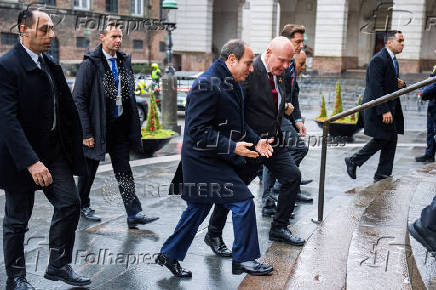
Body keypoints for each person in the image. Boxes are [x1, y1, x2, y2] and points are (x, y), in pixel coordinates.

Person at [156, 39, 274, 278]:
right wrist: (233, 148)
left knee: (197, 210)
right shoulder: (206, 84)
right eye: (248, 64)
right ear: (232, 59)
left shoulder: (233, 82)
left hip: (215, 159)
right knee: (242, 202)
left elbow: (238, 125)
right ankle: (245, 259)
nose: (251, 69)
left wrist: (256, 141)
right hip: (202, 162)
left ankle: (169, 254)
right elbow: (198, 132)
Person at [0, 9, 91, 289]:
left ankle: (58, 265)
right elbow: (7, 119)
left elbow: (65, 109)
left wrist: (82, 137)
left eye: (52, 29)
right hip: (21, 158)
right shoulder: (7, 65)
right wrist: (31, 162)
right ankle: (16, 277)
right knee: (17, 220)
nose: (51, 34)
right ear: (23, 30)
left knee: (70, 203)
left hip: (54, 153)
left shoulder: (50, 64)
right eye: (44, 30)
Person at [204, 37, 306, 253]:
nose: (286, 66)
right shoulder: (250, 71)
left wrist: (288, 116)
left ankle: (279, 227)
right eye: (282, 61)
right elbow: (235, 112)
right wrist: (241, 142)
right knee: (233, 189)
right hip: (249, 144)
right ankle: (213, 234)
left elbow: (277, 104)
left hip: (273, 141)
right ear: (268, 52)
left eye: (290, 61)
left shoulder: (282, 73)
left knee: (292, 176)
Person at [73, 23, 158, 228]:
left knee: (124, 171)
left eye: (120, 37)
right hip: (97, 128)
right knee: (89, 171)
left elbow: (128, 97)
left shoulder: (123, 61)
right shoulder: (91, 64)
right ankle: (81, 205)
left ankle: (134, 213)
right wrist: (86, 132)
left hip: (119, 127)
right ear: (102, 37)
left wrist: (132, 128)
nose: (118, 40)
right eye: (114, 36)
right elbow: (79, 99)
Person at [262, 26, 313, 210]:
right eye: (297, 41)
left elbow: (293, 94)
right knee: (297, 149)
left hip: (284, 117)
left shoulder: (290, 63)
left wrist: (297, 119)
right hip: (273, 118)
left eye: (302, 41)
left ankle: (277, 194)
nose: (301, 45)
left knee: (273, 156)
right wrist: (283, 107)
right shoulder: (276, 63)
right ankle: (280, 187)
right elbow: (268, 93)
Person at [345, 30, 406, 182]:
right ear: (389, 42)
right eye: (400, 40)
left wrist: (402, 84)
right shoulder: (378, 60)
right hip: (378, 107)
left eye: (403, 40)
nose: (403, 44)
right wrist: (384, 110)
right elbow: (375, 87)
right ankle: (354, 160)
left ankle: (382, 173)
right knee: (383, 137)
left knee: (390, 138)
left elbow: (390, 83)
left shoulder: (392, 59)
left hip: (389, 106)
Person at [415, 65, 436, 163]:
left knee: (434, 131)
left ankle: (429, 154)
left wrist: (424, 93)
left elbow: (433, 85)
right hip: (433, 103)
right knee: (431, 131)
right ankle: (429, 155)